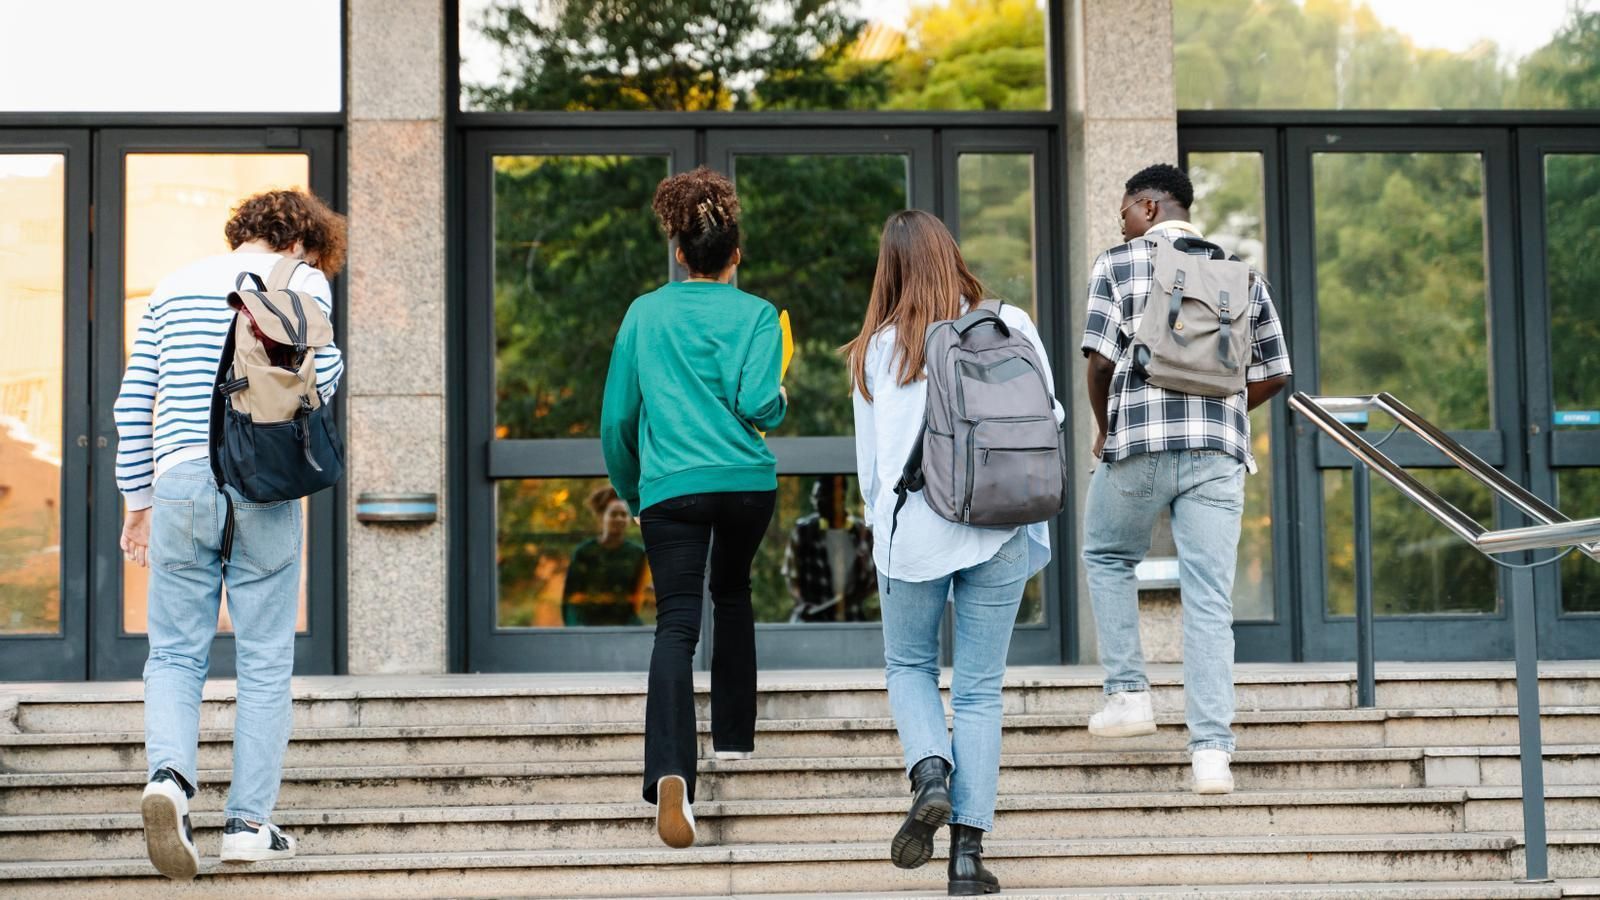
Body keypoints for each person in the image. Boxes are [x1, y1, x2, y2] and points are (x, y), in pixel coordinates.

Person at [116, 189, 346, 879]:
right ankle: (248, 823)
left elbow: (136, 401)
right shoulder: (303, 281)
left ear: (241, 231)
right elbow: (324, 378)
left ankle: (169, 780)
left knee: (176, 652)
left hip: (180, 478)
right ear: (301, 240)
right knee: (266, 656)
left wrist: (138, 501)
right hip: (263, 484)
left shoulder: (171, 287)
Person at [846, 209, 1060, 896]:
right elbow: (1048, 418)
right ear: (951, 255)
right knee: (979, 692)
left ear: (892, 268)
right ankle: (967, 860)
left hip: (916, 530)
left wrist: (881, 532)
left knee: (909, 665)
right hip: (1000, 521)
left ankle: (930, 772)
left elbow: (872, 470)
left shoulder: (879, 347)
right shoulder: (1012, 323)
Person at [1080, 164, 1290, 794]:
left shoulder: (1117, 264)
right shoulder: (1240, 273)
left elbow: (1098, 361)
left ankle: (1128, 696)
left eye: (1123, 210)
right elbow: (1276, 371)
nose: (1121, 222)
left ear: (1147, 206)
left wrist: (1104, 425)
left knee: (1108, 554)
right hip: (1217, 455)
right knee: (1209, 599)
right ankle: (1211, 753)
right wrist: (1220, 413)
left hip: (1139, 441)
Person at [600, 166, 787, 850]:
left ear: (679, 252)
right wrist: (781, 399)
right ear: (735, 256)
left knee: (676, 625)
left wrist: (632, 489)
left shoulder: (645, 313)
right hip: (746, 486)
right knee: (732, 592)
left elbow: (619, 419)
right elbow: (761, 404)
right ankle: (735, 738)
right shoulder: (758, 315)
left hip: (671, 489)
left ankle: (672, 771)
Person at [782, 476, 875, 623]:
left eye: (821, 496)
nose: (816, 502)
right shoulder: (803, 531)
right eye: (814, 496)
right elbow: (791, 576)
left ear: (840, 496)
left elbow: (872, 582)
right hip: (809, 621)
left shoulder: (861, 533)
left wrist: (834, 607)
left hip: (850, 620)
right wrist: (803, 606)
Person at [562, 486, 652, 626]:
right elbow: (571, 598)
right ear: (602, 516)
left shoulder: (637, 554)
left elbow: (639, 597)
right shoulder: (584, 552)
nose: (619, 519)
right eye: (613, 514)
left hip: (625, 626)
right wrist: (576, 630)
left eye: (623, 514)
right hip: (588, 626)